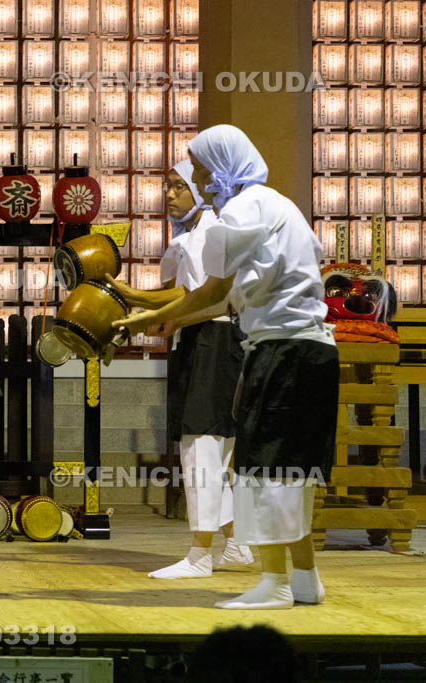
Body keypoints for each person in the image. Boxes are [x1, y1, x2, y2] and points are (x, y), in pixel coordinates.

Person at [115, 124, 337, 609]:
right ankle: (305, 578)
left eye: (200, 169)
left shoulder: (241, 210)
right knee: (291, 470)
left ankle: (274, 582)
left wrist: (148, 317)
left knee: (261, 469)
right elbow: (227, 300)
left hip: (281, 352)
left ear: (223, 165)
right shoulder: (278, 204)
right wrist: (165, 317)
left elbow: (213, 291)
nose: (198, 179)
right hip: (313, 350)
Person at [105, 160, 252, 579]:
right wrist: (136, 308)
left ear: (201, 190)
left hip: (215, 339)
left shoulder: (211, 233)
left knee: (201, 446)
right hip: (196, 340)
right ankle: (237, 545)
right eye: (167, 186)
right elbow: (173, 297)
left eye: (179, 186)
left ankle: (200, 555)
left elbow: (199, 297)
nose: (169, 194)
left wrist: (133, 297)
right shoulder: (186, 238)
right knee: (207, 450)